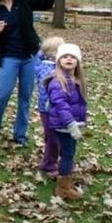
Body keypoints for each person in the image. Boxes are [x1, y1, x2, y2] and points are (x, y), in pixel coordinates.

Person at [0, 0, 57, 145]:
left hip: (29, 56)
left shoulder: (23, 0)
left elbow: (46, 3)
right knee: (3, 94)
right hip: (9, 57)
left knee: (25, 97)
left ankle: (20, 134)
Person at [46, 43, 87, 200]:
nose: (69, 59)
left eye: (72, 57)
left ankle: (64, 176)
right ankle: (63, 187)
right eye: (65, 56)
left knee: (67, 153)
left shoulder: (74, 80)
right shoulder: (57, 82)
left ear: (77, 61)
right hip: (64, 126)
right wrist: (71, 124)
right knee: (68, 154)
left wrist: (80, 121)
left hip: (71, 124)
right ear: (58, 61)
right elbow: (61, 105)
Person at [35, 36, 65, 178]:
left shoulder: (56, 66)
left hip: (58, 108)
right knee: (52, 138)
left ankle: (56, 161)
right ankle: (48, 165)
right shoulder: (46, 68)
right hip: (48, 109)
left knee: (58, 137)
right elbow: (48, 85)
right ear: (53, 53)